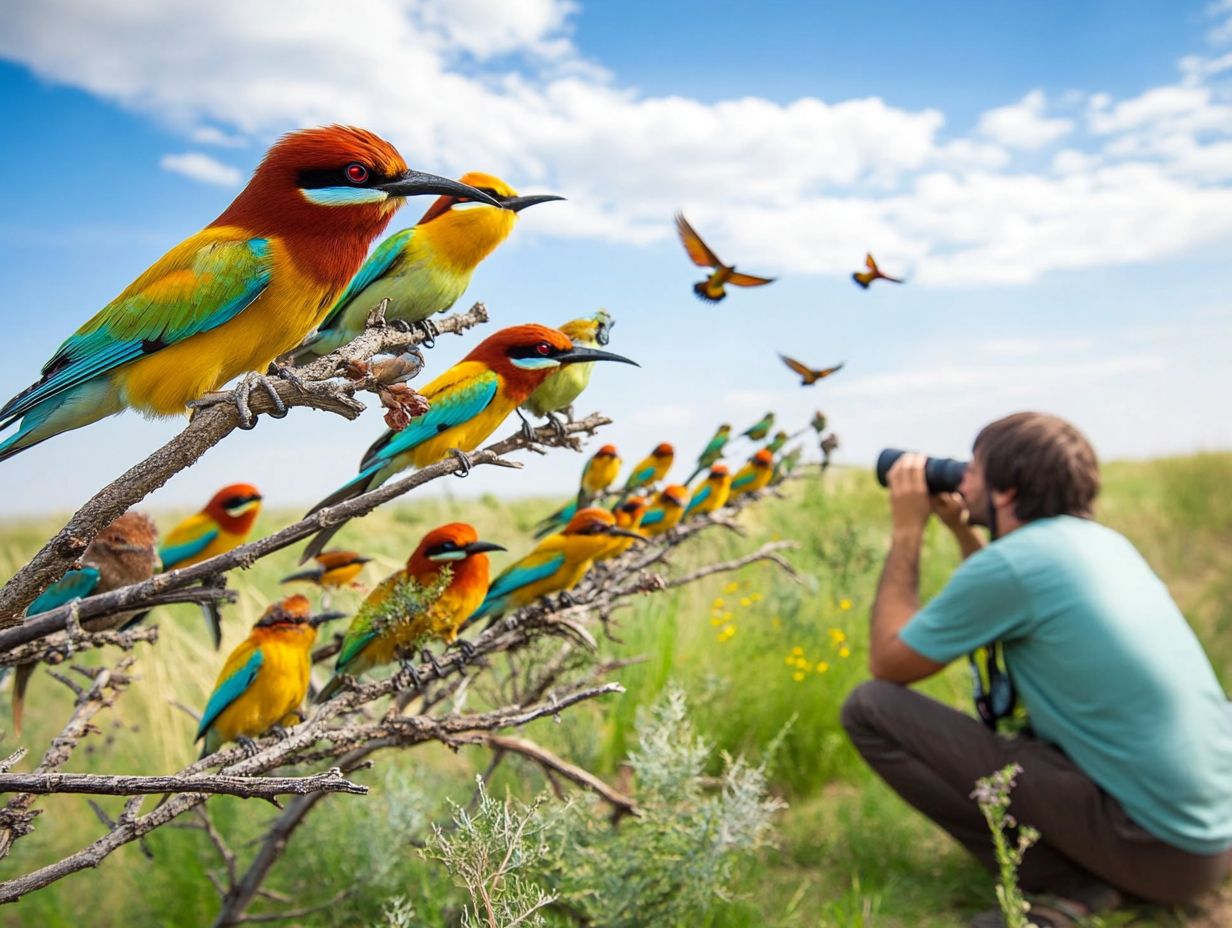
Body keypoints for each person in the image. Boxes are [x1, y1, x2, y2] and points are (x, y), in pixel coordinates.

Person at [841, 412, 1232, 928]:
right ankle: (1092, 868)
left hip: (1161, 855)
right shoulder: (1101, 543)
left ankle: (1067, 882)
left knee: (871, 707)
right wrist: (964, 534)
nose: (962, 479)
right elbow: (1004, 597)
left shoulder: (1016, 564)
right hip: (1212, 837)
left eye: (974, 470)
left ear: (1007, 492)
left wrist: (906, 531)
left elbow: (889, 663)